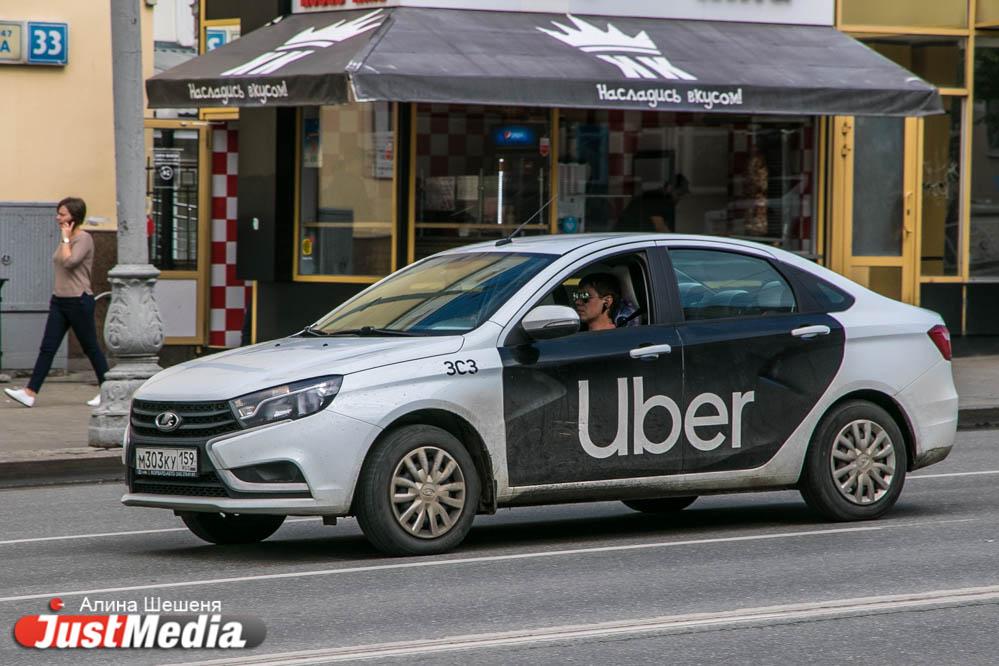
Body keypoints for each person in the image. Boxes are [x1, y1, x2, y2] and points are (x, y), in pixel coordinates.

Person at [4, 197, 108, 408]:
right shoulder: (66, 238)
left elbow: (70, 262)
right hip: (60, 301)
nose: (58, 217)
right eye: (58, 213)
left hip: (78, 300)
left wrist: (66, 239)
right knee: (48, 347)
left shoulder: (83, 238)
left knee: (90, 348)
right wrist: (65, 239)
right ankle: (30, 392)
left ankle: (109, 391)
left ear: (74, 217)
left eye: (63, 214)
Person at [617, 173, 689, 233]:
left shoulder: (655, 197)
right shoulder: (658, 200)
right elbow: (661, 228)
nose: (679, 199)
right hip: (627, 238)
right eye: (679, 194)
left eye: (682, 195)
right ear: (669, 188)